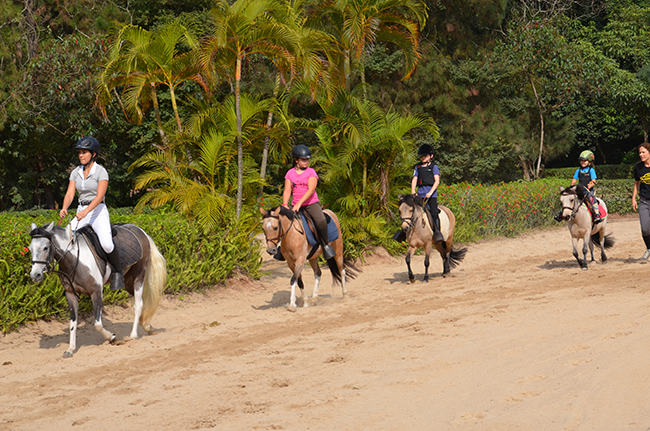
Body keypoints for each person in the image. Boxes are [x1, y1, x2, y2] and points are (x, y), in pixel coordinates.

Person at [59, 136, 124, 290]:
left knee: (107, 245)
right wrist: (64, 207)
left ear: (93, 154)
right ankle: (71, 278)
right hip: (81, 210)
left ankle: (117, 272)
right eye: (79, 152)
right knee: (66, 240)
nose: (81, 155)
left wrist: (86, 212)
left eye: (84, 152)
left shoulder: (101, 171)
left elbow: (100, 195)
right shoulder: (76, 172)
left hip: (98, 211)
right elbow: (70, 193)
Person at [280, 144, 336, 260]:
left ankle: (326, 246)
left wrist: (299, 204)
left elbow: (311, 190)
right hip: (294, 204)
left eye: (307, 159)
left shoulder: (311, 172)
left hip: (311, 204)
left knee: (321, 221)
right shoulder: (290, 173)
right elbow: (286, 191)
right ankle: (282, 249)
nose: (306, 162)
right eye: (303, 160)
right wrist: (285, 205)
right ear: (296, 160)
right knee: (282, 221)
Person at [553, 150, 601, 223]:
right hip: (579, 189)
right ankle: (561, 213)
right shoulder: (578, 170)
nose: (582, 162)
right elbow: (574, 179)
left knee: (592, 199)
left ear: (590, 162)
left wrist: (590, 185)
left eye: (584, 161)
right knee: (568, 199)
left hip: (588, 190)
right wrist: (571, 186)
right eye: (581, 161)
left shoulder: (591, 170)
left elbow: (593, 180)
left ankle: (597, 214)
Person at [412, 144, 444, 244]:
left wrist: (430, 192)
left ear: (431, 156)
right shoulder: (417, 167)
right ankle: (404, 233)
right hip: (420, 193)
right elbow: (414, 179)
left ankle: (438, 233)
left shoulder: (434, 167)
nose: (422, 158)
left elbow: (437, 181)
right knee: (410, 211)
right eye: (422, 156)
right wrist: (413, 191)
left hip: (431, 194)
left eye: (425, 156)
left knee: (434, 211)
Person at [632, 142, 650, 261]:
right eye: (640, 152)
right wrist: (633, 198)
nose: (641, 154)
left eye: (643, 152)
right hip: (644, 201)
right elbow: (637, 184)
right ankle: (649, 248)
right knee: (645, 228)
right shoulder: (638, 168)